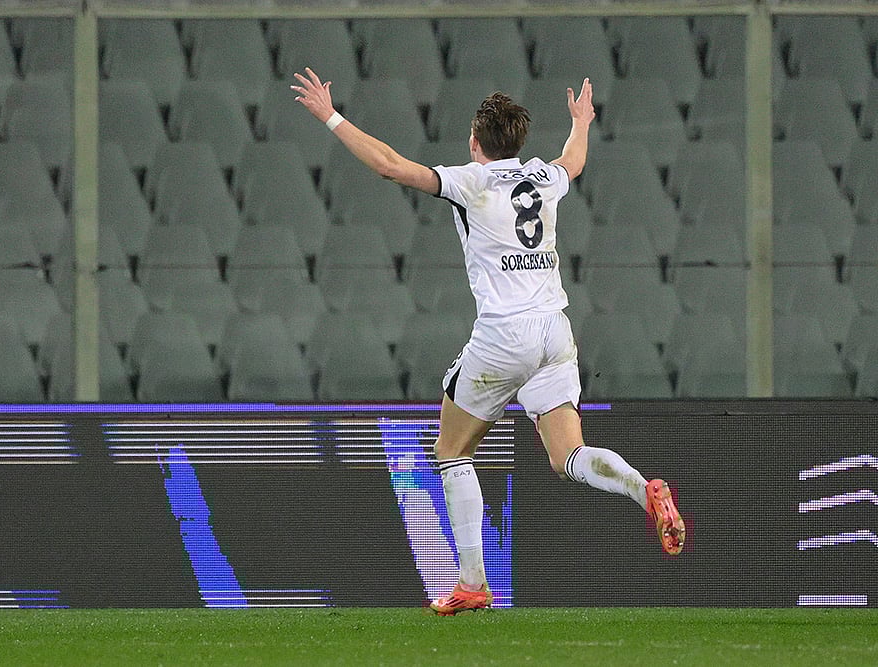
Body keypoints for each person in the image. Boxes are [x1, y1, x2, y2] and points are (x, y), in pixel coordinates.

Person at [291, 67, 685, 615]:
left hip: (505, 334)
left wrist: (330, 115)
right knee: (567, 455)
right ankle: (644, 490)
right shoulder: (543, 177)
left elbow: (389, 165)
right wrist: (581, 122)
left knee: (452, 451)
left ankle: (472, 582)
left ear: (475, 142)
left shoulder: (472, 182)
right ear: (518, 142)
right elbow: (573, 161)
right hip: (554, 330)